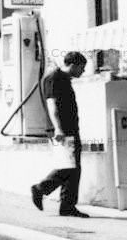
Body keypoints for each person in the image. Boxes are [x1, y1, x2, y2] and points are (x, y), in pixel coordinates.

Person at [31, 51, 89, 217]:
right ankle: (40, 189)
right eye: (81, 68)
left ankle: (67, 206)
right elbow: (52, 104)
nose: (83, 72)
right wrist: (58, 128)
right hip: (62, 131)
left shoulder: (63, 79)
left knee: (72, 168)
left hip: (69, 129)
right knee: (69, 167)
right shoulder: (55, 78)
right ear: (73, 65)